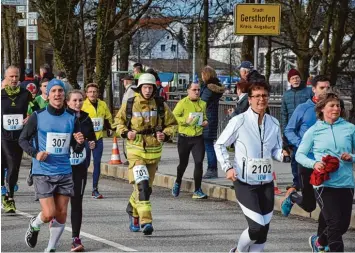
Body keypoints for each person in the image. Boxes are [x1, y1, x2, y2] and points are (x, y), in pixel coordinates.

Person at [214, 77, 290, 253]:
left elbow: (276, 150)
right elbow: (219, 144)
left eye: (264, 95)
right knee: (256, 227)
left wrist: (284, 154)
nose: (261, 99)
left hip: (266, 183)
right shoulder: (239, 121)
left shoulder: (273, 123)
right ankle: (239, 251)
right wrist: (228, 167)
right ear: (249, 99)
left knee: (263, 231)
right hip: (244, 182)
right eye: (256, 96)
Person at [19, 79, 85, 252]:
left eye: (60, 91)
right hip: (43, 171)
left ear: (64, 95)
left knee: (62, 213)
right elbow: (23, 140)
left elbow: (75, 146)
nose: (57, 94)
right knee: (49, 214)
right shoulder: (38, 116)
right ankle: (34, 224)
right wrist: (36, 153)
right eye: (54, 91)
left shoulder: (71, 117)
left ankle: (50, 248)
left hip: (64, 170)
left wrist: (79, 143)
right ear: (47, 95)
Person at [114, 73, 177, 235]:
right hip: (135, 152)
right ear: (140, 88)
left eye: (150, 87)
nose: (148, 90)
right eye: (145, 87)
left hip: (154, 152)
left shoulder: (160, 104)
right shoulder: (130, 104)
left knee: (146, 189)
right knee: (141, 185)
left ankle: (132, 210)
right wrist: (126, 132)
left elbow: (172, 124)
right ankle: (146, 221)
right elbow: (118, 122)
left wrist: (166, 134)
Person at [296, 92, 354, 252]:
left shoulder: (350, 128)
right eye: (332, 105)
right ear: (322, 109)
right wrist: (314, 163)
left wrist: (352, 157)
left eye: (338, 106)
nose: (336, 108)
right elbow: (299, 155)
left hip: (346, 183)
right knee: (334, 224)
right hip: (324, 184)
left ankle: (319, 242)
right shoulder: (314, 131)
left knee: (343, 225)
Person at [281, 75, 332, 217]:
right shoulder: (303, 108)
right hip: (307, 161)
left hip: (327, 161)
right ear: (314, 89)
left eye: (328, 87)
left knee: (329, 204)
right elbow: (289, 130)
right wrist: (301, 144)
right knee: (310, 205)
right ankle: (293, 197)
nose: (325, 91)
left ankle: (323, 238)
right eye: (322, 88)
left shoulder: (333, 109)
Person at [66, 90, 96, 252]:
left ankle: (75, 239)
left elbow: (92, 137)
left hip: (79, 165)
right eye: (74, 101)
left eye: (80, 100)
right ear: (68, 102)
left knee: (77, 201)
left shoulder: (85, 117)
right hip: (62, 166)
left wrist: (92, 143)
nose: (78, 103)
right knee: (60, 203)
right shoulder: (63, 116)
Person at [1, 65, 32, 213]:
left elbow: (34, 111)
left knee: (16, 168)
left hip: (19, 137)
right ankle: (9, 197)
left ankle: (9, 193)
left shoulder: (26, 94)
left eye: (16, 76)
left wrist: (29, 118)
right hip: (3, 136)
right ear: (5, 77)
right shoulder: (1, 95)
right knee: (10, 163)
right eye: (11, 76)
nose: (14, 79)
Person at [172, 82, 208, 199]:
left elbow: (205, 117)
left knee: (199, 162)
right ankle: (178, 181)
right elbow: (174, 116)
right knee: (183, 163)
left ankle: (197, 190)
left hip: (198, 137)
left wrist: (205, 122)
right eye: (194, 90)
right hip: (184, 138)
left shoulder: (203, 103)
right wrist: (185, 120)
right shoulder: (182, 103)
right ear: (188, 91)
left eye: (198, 90)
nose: (197, 92)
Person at [281, 69, 313, 190]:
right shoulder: (286, 95)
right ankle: (297, 182)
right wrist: (284, 131)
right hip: (292, 131)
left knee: (307, 156)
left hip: (306, 129)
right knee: (294, 158)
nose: (295, 80)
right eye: (293, 78)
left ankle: (309, 182)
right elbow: (284, 113)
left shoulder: (308, 91)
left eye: (297, 77)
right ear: (289, 80)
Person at [82, 83, 114, 199]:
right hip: (85, 140)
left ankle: (95, 189)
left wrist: (112, 127)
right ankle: (79, 186)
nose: (92, 94)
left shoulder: (102, 104)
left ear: (98, 93)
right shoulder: (83, 105)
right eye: (90, 92)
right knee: (84, 164)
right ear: (86, 94)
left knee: (97, 163)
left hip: (98, 138)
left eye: (94, 92)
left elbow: (108, 118)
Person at [200, 66, 225, 179]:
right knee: (209, 144)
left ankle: (212, 169)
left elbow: (202, 103)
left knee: (208, 145)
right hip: (213, 118)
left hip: (206, 119)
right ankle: (211, 168)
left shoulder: (208, 89)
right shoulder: (215, 89)